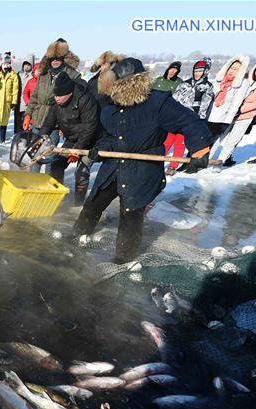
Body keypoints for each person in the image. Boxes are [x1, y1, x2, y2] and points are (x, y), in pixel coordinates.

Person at [73, 58, 211, 264]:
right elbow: (110, 138)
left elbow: (190, 122)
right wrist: (99, 150)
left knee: (130, 212)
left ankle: (124, 257)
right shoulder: (111, 109)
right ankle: (77, 235)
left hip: (142, 169)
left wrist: (200, 150)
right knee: (94, 202)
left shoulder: (157, 103)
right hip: (113, 166)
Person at [38, 71, 100, 205]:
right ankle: (56, 197)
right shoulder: (55, 103)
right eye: (56, 95)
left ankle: (78, 203)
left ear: (70, 93)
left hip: (91, 141)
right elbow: (49, 122)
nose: (57, 98)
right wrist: (43, 136)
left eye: (60, 95)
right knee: (56, 164)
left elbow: (90, 127)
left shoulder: (85, 100)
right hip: (72, 139)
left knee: (81, 171)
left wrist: (77, 150)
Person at [210, 56, 256, 166]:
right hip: (229, 113)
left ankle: (219, 163)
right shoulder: (246, 76)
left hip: (246, 116)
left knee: (231, 142)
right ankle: (206, 159)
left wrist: (240, 109)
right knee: (218, 137)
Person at [25, 38, 84, 135]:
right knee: (35, 149)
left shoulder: (72, 75)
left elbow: (75, 102)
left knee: (49, 149)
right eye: (53, 58)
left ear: (63, 58)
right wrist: (28, 115)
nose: (55, 61)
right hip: (38, 121)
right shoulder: (44, 75)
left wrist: (67, 123)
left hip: (56, 123)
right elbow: (34, 97)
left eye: (58, 58)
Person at [167, 58, 213, 174]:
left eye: (200, 71)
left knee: (179, 144)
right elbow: (174, 99)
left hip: (190, 121)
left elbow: (205, 105)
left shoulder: (207, 86)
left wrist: (199, 121)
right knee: (167, 141)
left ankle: (173, 166)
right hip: (176, 117)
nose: (197, 73)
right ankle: (156, 161)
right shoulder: (185, 84)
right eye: (196, 71)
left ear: (205, 72)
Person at [206, 55, 250, 141]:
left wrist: (226, 122)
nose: (232, 71)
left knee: (207, 144)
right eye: (232, 68)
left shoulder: (242, 84)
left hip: (220, 119)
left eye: (236, 69)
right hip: (208, 116)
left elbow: (235, 105)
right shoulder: (219, 80)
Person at [16, 60, 33, 135]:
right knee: (19, 120)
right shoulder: (19, 74)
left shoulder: (32, 76)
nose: (26, 66)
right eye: (25, 65)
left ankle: (26, 135)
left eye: (28, 65)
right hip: (19, 100)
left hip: (28, 101)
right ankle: (19, 134)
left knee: (26, 119)